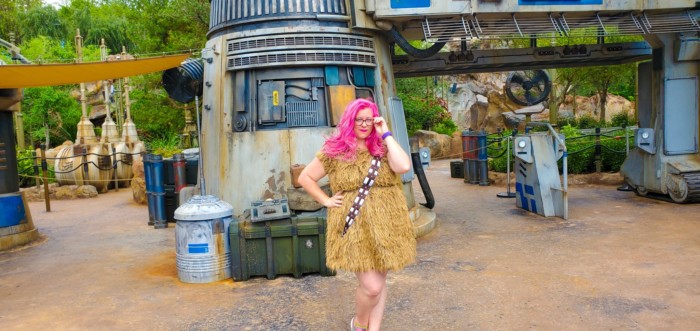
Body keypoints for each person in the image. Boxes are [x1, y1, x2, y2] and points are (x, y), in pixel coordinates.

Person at [299, 98, 417, 331]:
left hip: (388, 222)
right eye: (358, 119)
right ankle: (359, 323)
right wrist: (326, 200)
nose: (364, 124)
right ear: (349, 121)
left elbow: (403, 166)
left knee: (381, 280)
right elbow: (305, 178)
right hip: (354, 225)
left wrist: (386, 133)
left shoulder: (383, 147)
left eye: (369, 120)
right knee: (371, 286)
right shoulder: (335, 150)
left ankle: (374, 329)